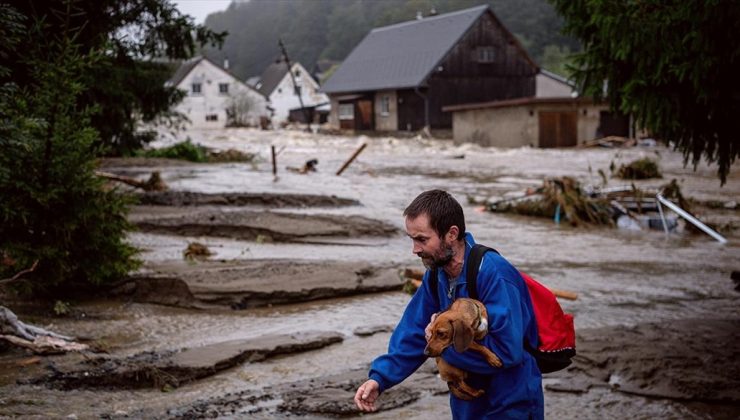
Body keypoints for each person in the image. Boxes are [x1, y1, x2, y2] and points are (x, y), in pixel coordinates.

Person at [354, 189, 543, 419]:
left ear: (451, 233)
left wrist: (442, 346)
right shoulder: (437, 275)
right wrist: (379, 378)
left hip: (511, 402)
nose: (415, 249)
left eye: (422, 239)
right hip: (467, 404)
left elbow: (506, 352)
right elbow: (414, 331)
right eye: (412, 239)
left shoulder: (494, 273)